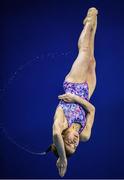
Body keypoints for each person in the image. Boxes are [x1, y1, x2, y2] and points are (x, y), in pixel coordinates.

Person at [43, 7, 98, 177]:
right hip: (86, 91)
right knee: (92, 58)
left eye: (68, 142)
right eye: (73, 146)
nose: (74, 142)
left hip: (73, 83)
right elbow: (92, 110)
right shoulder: (84, 135)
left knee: (84, 51)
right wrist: (76, 99)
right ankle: (92, 23)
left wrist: (63, 158)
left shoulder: (61, 122)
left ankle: (89, 21)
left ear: (63, 136)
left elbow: (55, 134)